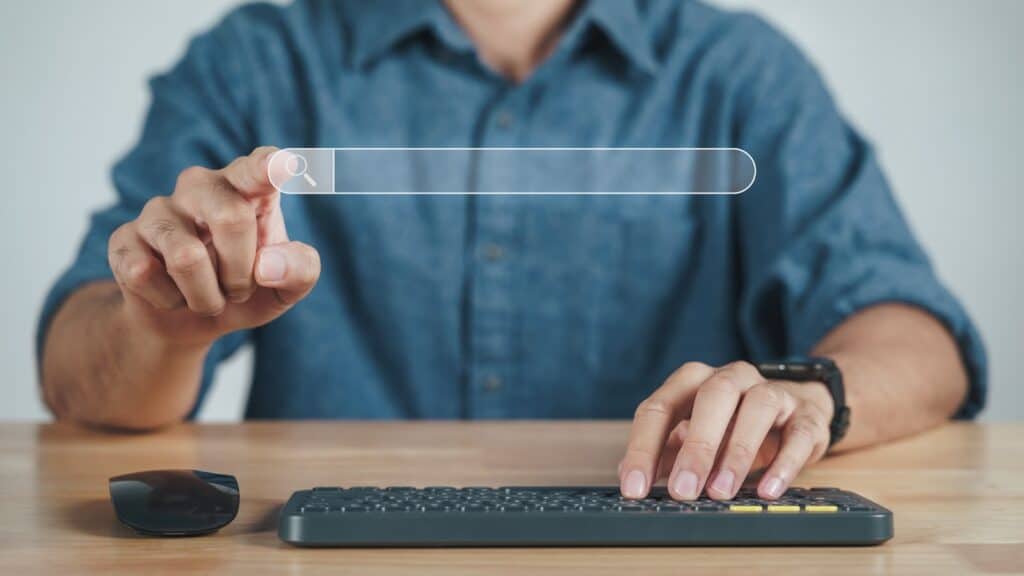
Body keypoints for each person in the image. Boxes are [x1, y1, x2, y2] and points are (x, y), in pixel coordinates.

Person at [38, 0, 986, 503]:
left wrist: (810, 391)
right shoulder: (255, 61)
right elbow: (76, 368)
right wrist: (159, 321)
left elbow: (915, 331)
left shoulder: (740, 71)